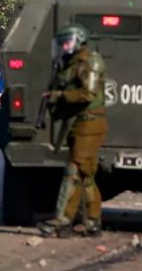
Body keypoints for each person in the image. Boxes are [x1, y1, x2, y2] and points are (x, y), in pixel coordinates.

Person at [38, 25, 107, 238]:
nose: (63, 46)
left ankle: (62, 219)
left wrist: (60, 95)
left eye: (67, 42)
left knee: (74, 171)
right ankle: (92, 221)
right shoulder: (71, 63)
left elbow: (88, 93)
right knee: (86, 175)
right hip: (79, 123)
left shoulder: (89, 61)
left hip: (90, 123)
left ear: (79, 40)